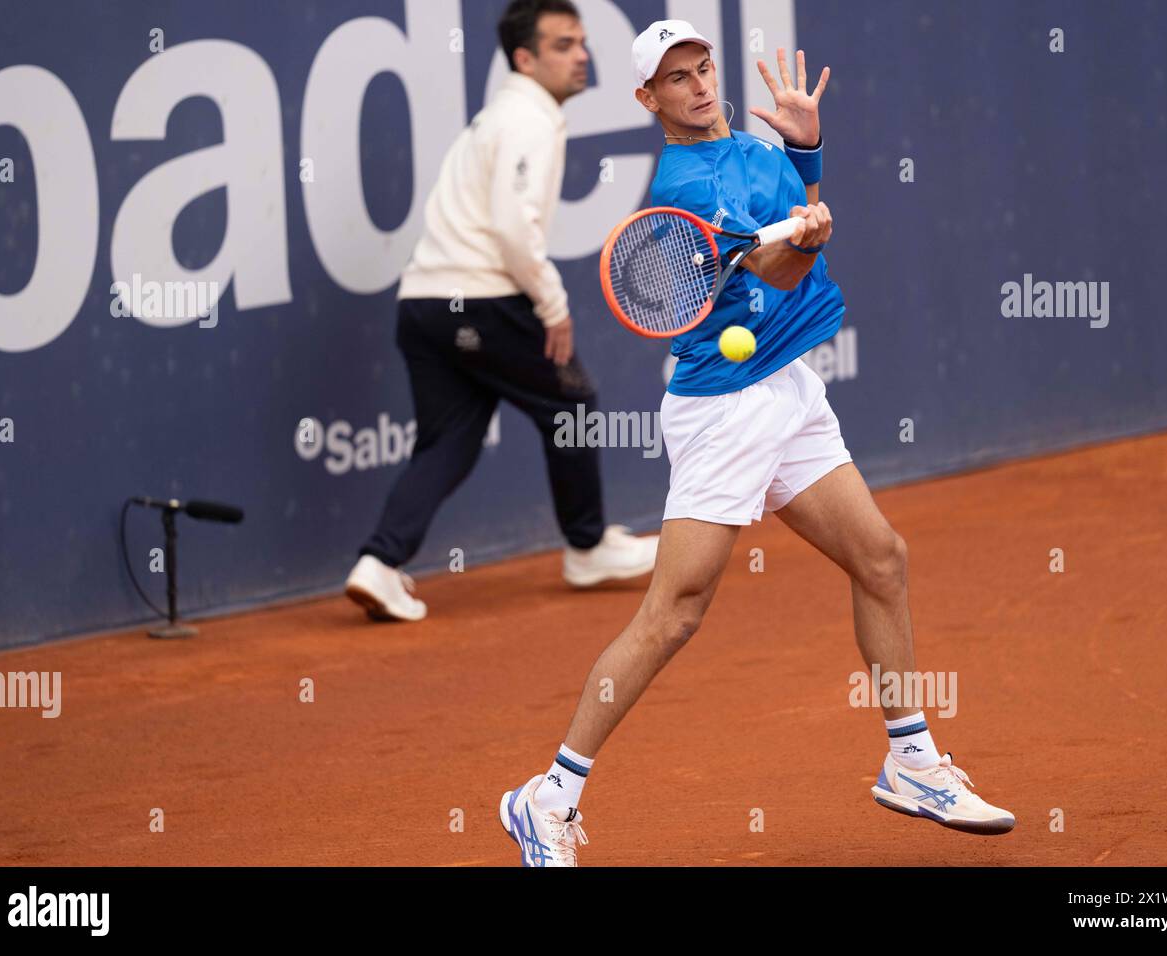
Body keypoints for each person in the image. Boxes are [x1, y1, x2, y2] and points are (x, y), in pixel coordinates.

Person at [498, 20, 1014, 866]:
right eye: (677, 78)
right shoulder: (685, 188)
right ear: (648, 99)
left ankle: (913, 761)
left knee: (881, 558)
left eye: (703, 69)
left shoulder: (755, 150)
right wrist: (805, 244)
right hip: (725, 411)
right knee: (675, 614)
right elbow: (774, 271)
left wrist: (807, 156)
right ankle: (546, 797)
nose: (699, 86)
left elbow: (794, 218)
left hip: (786, 392)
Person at [344, 0, 659, 623]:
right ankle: (588, 547)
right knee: (571, 401)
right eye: (564, 44)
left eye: (582, 42)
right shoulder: (529, 121)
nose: (581, 55)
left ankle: (378, 564)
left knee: (450, 439)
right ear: (525, 58)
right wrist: (552, 304)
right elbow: (513, 229)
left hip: (423, 306)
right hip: (478, 298)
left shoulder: (502, 116)